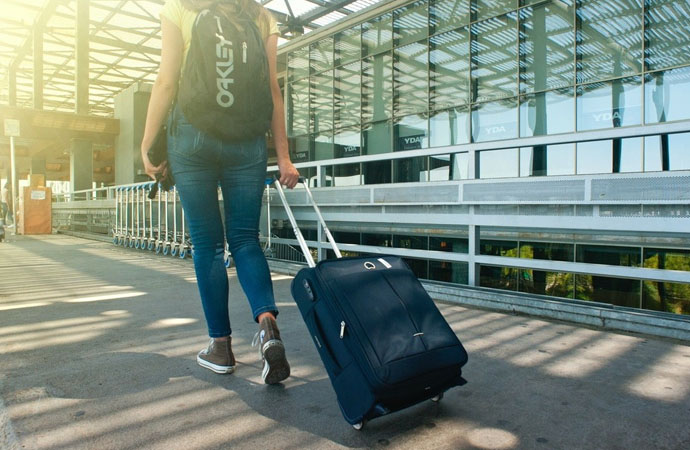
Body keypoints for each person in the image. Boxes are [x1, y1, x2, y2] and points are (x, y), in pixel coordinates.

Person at [140, 0, 299, 384]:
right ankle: (268, 328)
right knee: (245, 239)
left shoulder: (181, 7)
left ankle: (221, 347)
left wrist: (146, 144)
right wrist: (283, 157)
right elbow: (272, 90)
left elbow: (166, 80)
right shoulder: (261, 16)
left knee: (207, 244)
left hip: (192, 137)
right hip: (247, 141)